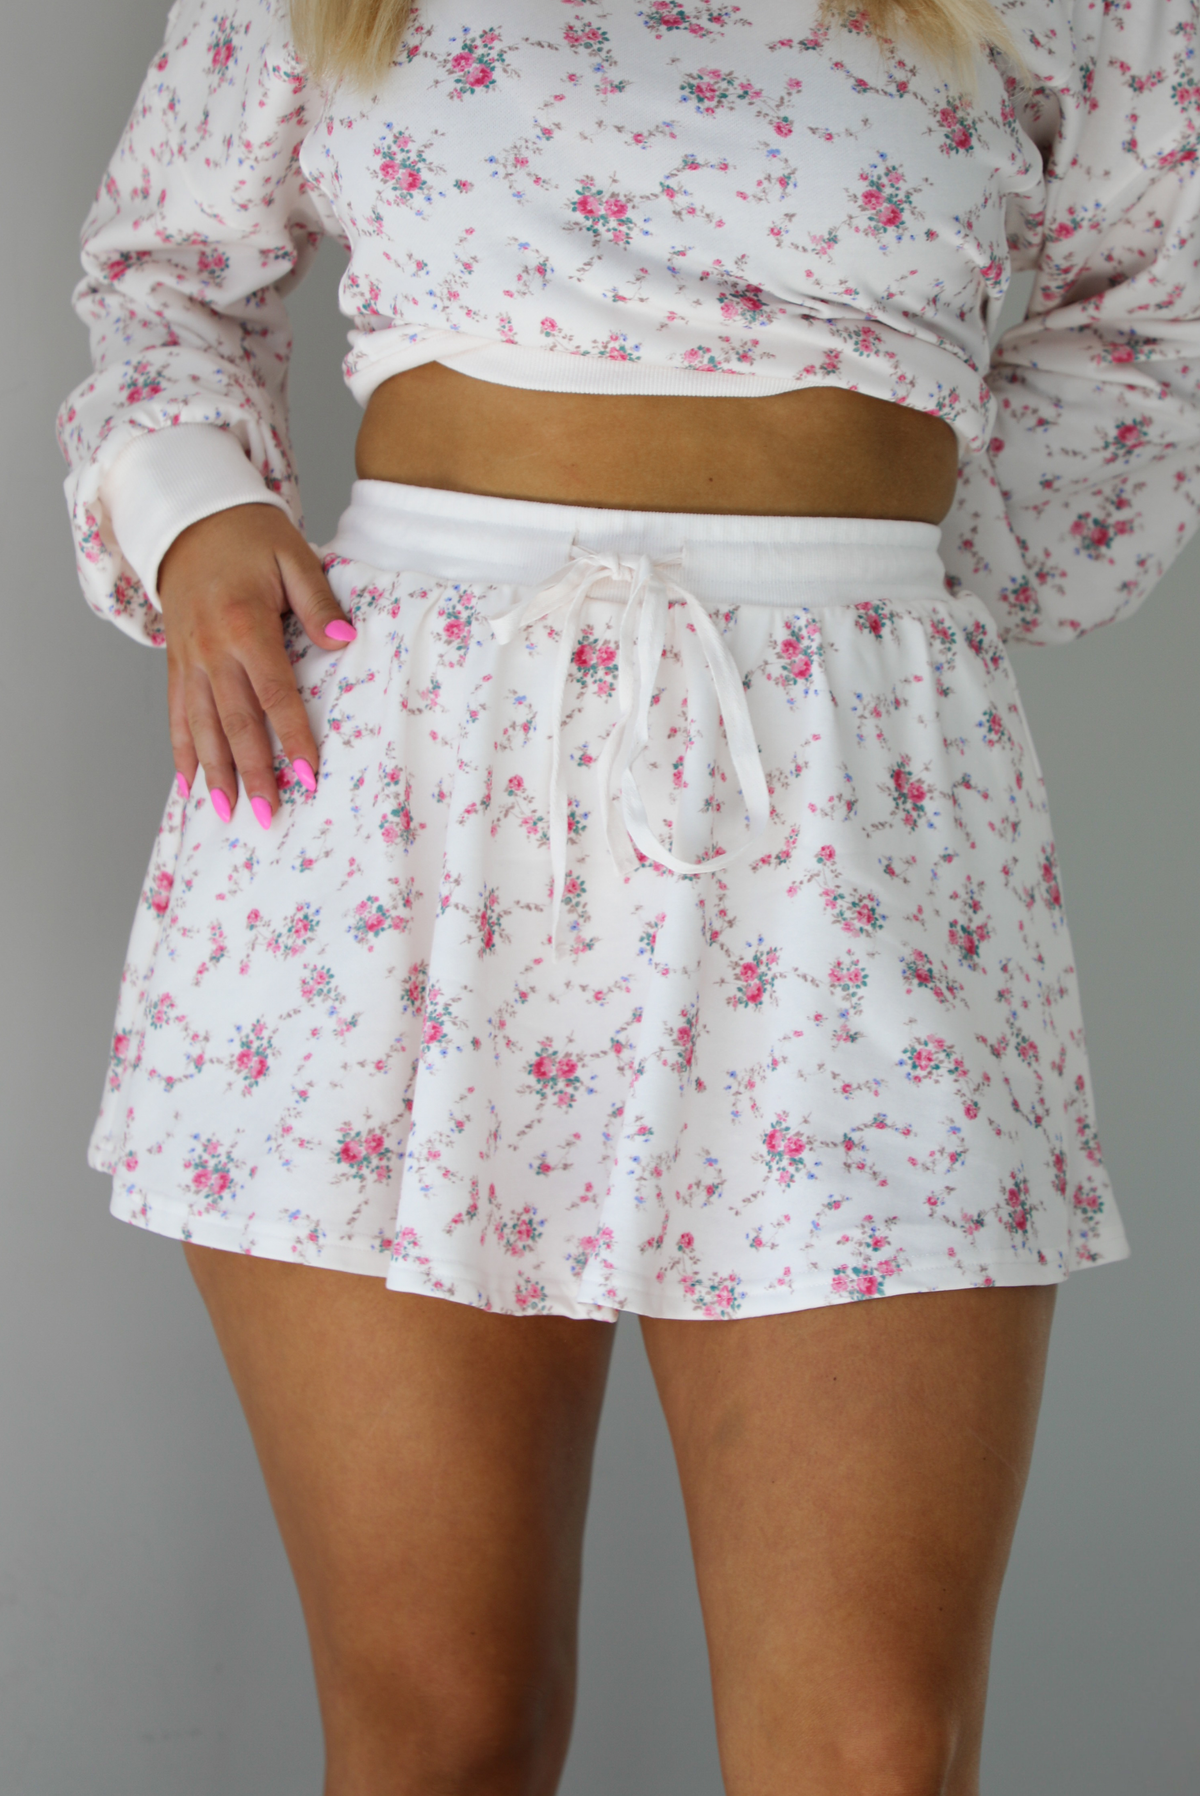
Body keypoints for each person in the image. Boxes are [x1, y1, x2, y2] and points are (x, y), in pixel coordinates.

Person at [56, 0, 1195, 1789]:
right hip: (401, 807)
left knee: (873, 1752)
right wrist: (194, 513)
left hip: (851, 803)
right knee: (443, 1728)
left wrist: (856, 605)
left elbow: (1147, 318)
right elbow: (161, 279)